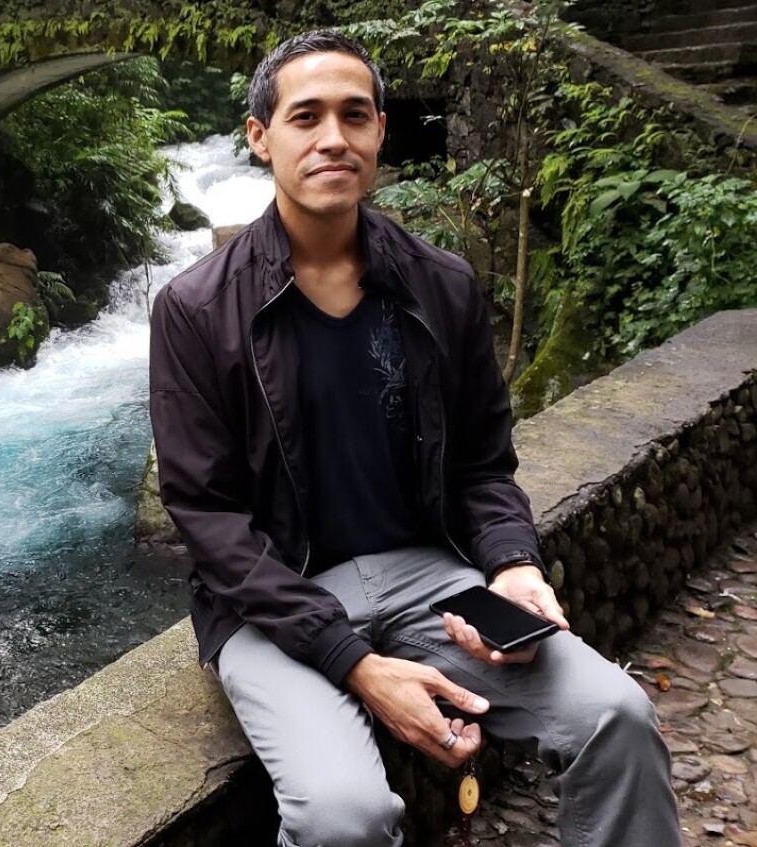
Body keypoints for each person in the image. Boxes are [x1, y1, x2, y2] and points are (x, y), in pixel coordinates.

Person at [149, 29, 681, 847]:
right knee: (343, 817)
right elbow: (208, 519)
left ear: (379, 130)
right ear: (259, 138)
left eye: (354, 115)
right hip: (270, 601)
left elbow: (481, 464)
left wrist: (512, 562)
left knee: (616, 713)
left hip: (428, 577)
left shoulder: (441, 282)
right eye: (306, 117)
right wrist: (353, 661)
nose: (334, 137)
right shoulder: (194, 308)